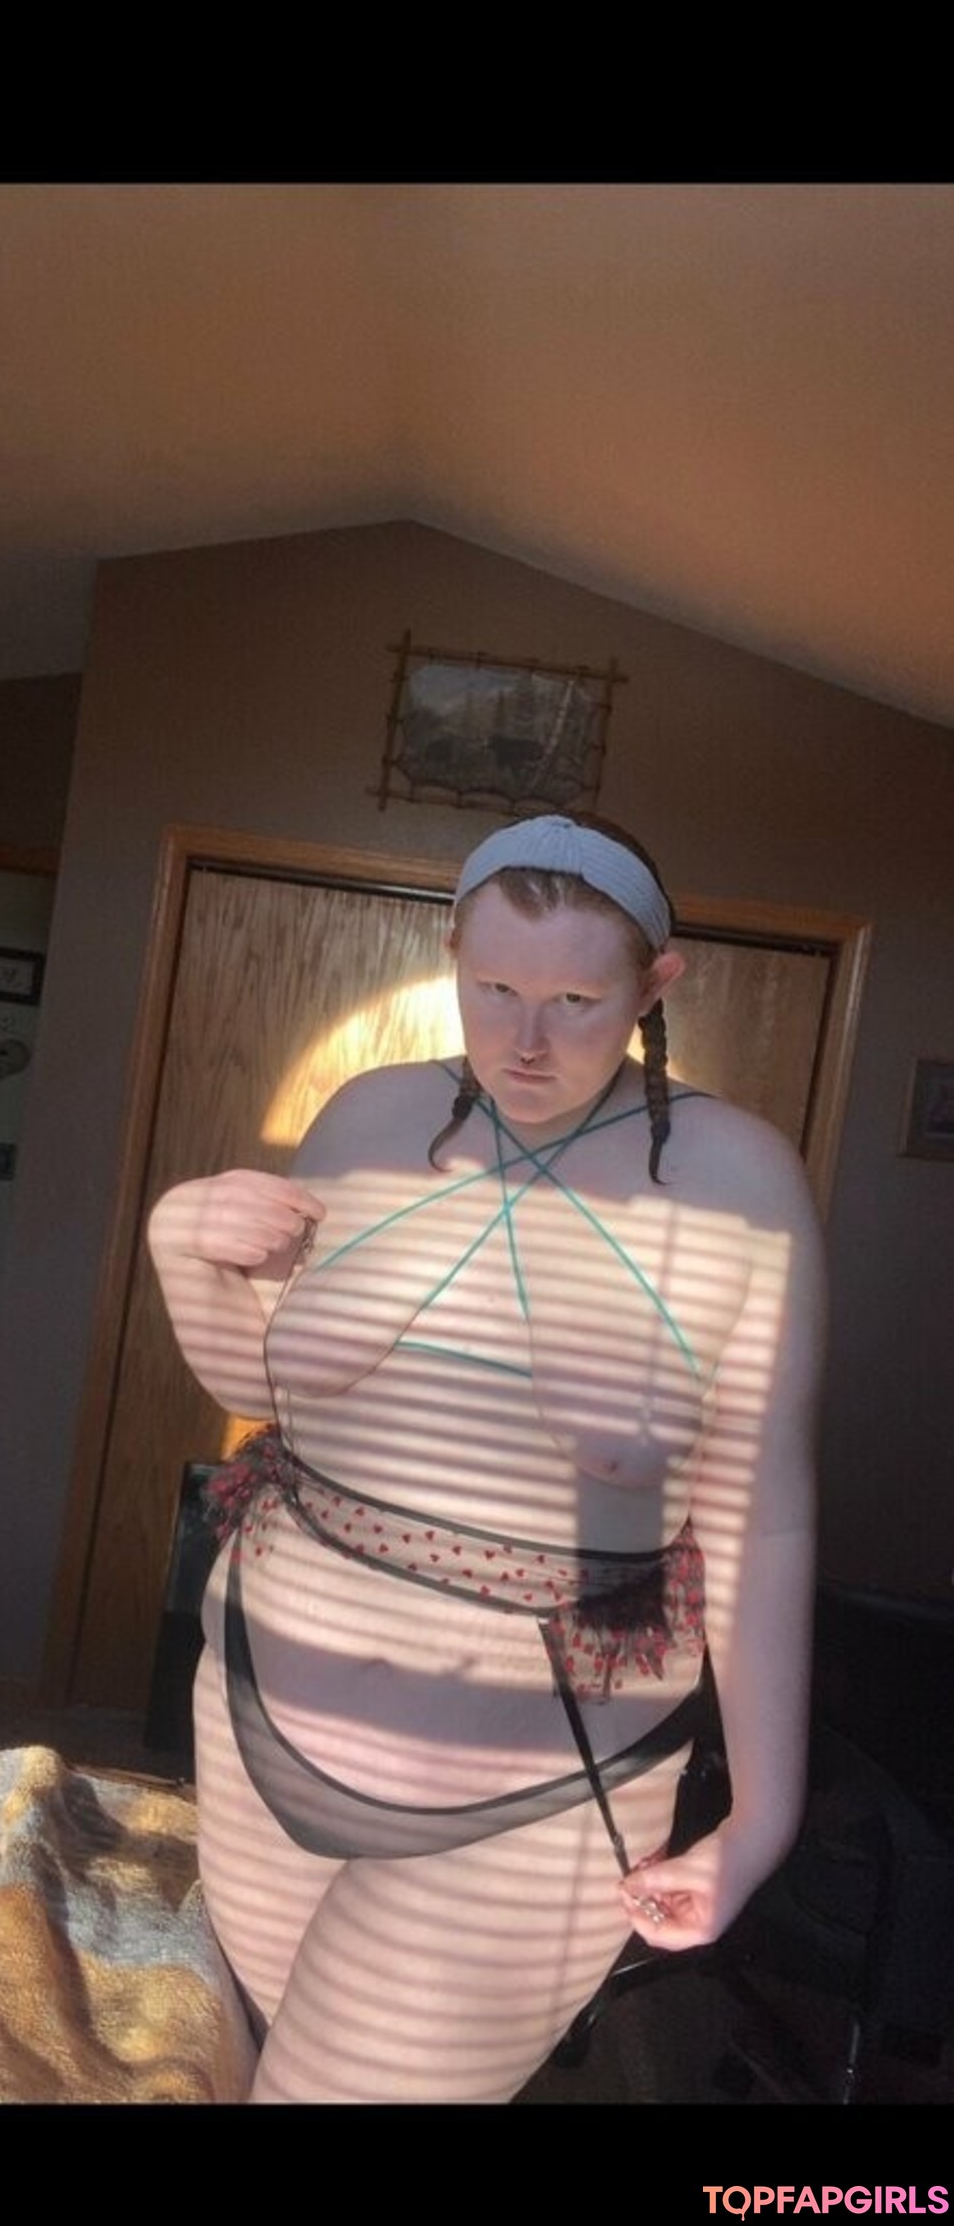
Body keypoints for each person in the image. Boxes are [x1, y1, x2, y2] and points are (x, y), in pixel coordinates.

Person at [148, 813, 825, 2103]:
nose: (526, 1040)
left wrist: (762, 1820)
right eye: (495, 988)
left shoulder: (738, 1186)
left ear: (655, 985)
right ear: (452, 953)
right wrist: (182, 1244)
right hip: (259, 1706)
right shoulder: (370, 1117)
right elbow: (277, 1394)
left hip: (537, 1778)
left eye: (575, 1001)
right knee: (252, 2067)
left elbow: (764, 1520)